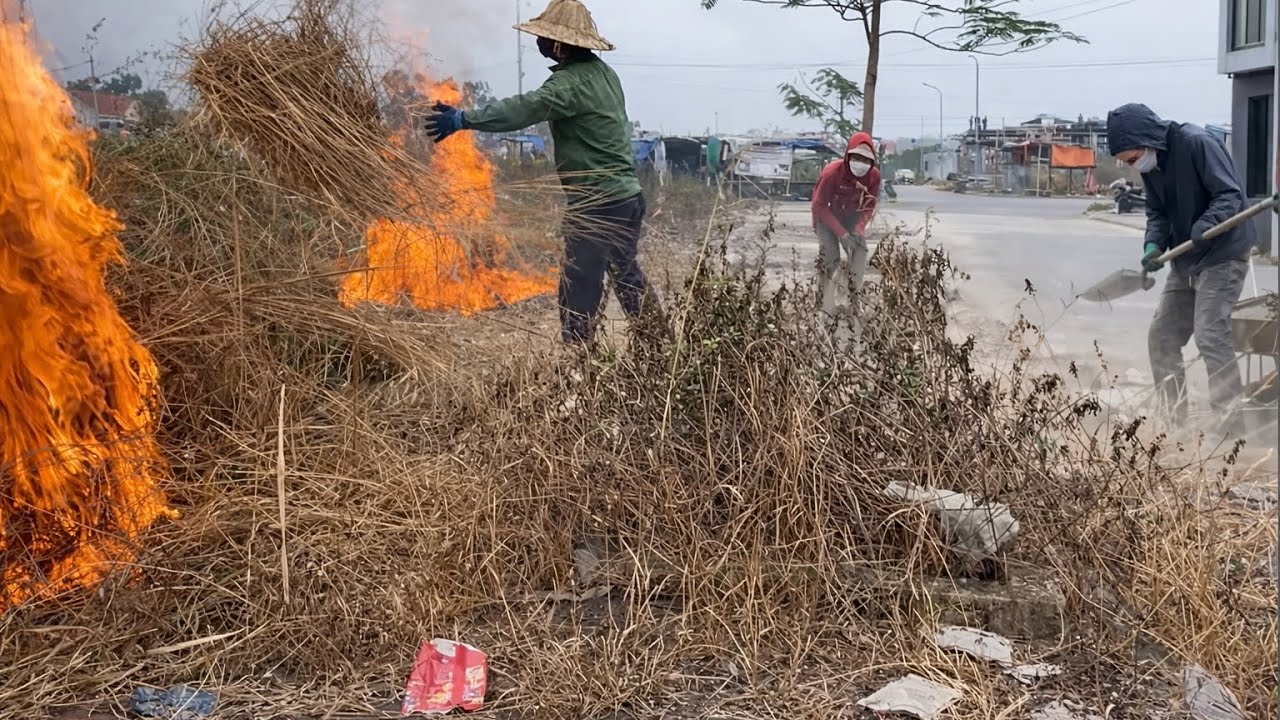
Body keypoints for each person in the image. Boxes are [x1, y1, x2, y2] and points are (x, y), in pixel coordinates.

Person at [425, 0, 657, 344]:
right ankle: (658, 346)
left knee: (580, 282)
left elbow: (526, 108)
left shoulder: (569, 85)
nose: (542, 44)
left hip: (598, 202)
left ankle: (579, 362)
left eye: (547, 38)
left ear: (562, 45)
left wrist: (465, 119)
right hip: (626, 197)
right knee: (626, 273)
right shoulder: (604, 75)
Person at [1106, 103, 1255, 430]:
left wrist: (1207, 224)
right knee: (1161, 336)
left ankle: (1231, 428)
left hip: (1223, 253)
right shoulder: (1152, 166)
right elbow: (1157, 213)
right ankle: (1175, 420)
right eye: (1129, 162)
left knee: (1209, 333)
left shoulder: (1196, 143)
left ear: (1147, 140)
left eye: (1133, 159)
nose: (1134, 166)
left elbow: (1229, 195)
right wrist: (1153, 245)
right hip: (1186, 259)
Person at [811, 132, 880, 308]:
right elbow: (819, 205)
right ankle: (822, 301)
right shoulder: (831, 173)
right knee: (830, 257)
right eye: (856, 157)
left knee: (860, 251)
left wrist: (859, 228)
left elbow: (869, 205)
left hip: (851, 216)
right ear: (848, 154)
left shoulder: (873, 176)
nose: (861, 163)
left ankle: (853, 298)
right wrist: (841, 233)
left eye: (866, 160)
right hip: (825, 217)